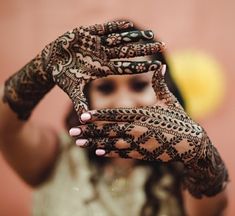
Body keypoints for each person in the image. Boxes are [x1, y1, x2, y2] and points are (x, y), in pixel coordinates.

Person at [0, 20, 229, 216]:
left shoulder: (185, 171)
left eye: (139, 85)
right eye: (106, 88)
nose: (124, 103)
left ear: (164, 91)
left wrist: (200, 155)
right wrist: (43, 67)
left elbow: (213, 209)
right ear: (86, 97)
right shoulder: (57, 157)